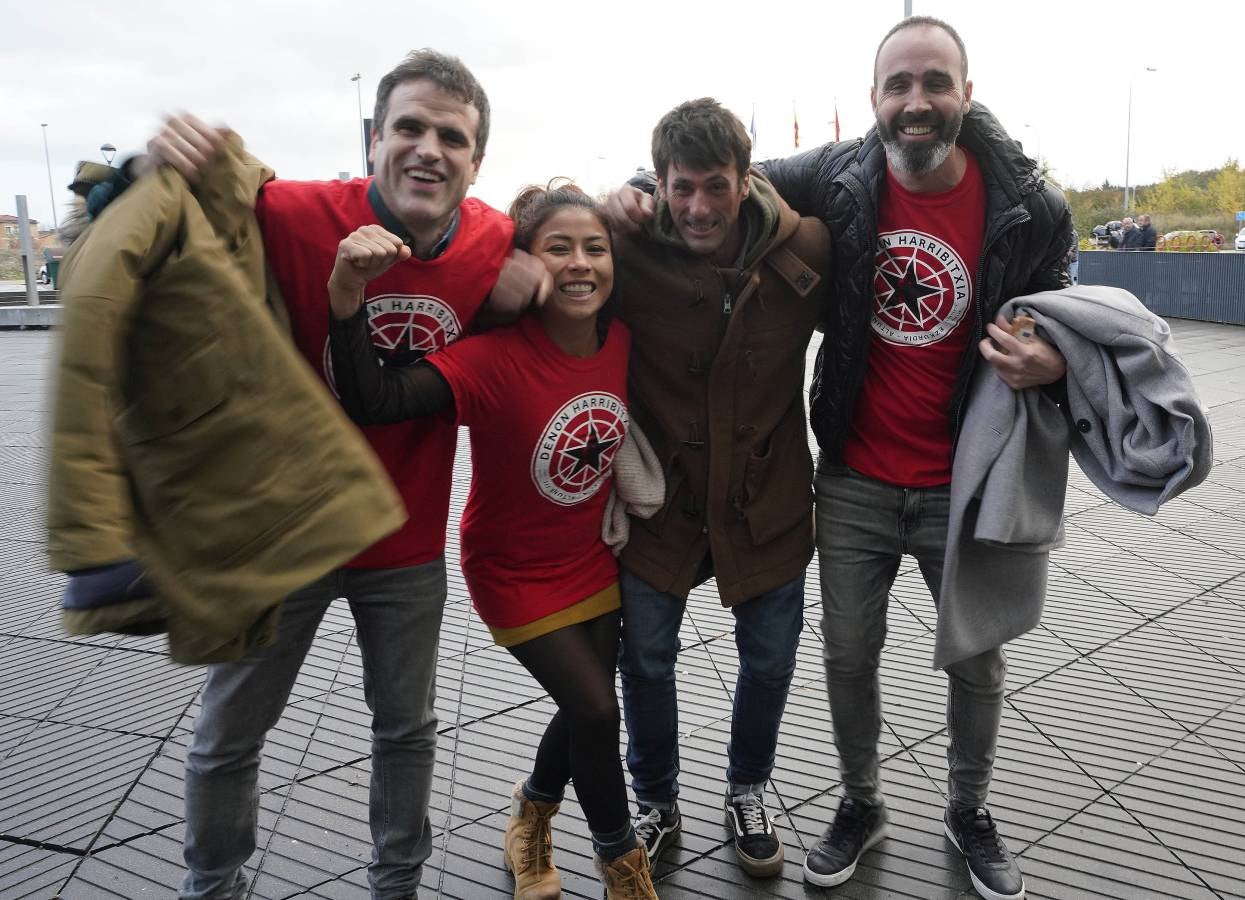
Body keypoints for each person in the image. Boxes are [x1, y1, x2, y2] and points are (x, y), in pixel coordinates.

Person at [143, 49, 519, 900]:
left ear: (475, 163)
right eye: (410, 127)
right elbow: (181, 212)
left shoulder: (496, 239)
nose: (429, 149)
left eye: (451, 137)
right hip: (286, 530)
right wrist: (161, 157)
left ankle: (397, 884)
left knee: (407, 730)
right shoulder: (297, 213)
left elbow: (577, 246)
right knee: (229, 730)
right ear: (375, 137)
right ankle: (212, 883)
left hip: (404, 538)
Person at [745, 16, 1070, 900]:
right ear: (874, 99)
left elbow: (1072, 315)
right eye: (898, 86)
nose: (915, 102)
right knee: (847, 654)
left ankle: (968, 810)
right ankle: (861, 801)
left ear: (965, 92)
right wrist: (626, 192)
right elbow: (723, 176)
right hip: (852, 475)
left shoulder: (1029, 206)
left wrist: (1056, 361)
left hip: (966, 481)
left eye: (934, 83)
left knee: (977, 657)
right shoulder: (839, 174)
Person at [324, 182, 657, 900]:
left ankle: (528, 819)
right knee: (598, 710)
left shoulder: (624, 339)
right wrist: (347, 294)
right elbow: (373, 400)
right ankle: (622, 867)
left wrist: (645, 188)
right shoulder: (492, 358)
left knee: (586, 707)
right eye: (557, 248)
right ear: (525, 266)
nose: (579, 264)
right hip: (511, 571)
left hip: (592, 559)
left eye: (594, 249)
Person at [598, 99, 829, 878]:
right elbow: (541, 254)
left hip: (765, 500)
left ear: (745, 178)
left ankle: (747, 786)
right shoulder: (624, 249)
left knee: (769, 661)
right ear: (658, 183)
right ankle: (655, 798)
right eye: (681, 187)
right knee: (648, 662)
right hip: (661, 502)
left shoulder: (805, 250)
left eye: (715, 187)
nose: (697, 207)